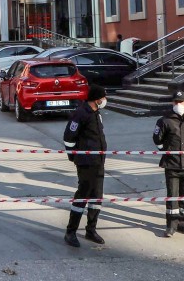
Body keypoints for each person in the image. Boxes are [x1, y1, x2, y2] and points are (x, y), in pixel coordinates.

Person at [63, 85, 108, 248]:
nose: (105, 100)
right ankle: (71, 232)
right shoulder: (81, 113)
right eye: (103, 97)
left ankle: (91, 229)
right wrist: (74, 156)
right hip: (86, 163)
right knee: (82, 196)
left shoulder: (96, 113)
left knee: (96, 197)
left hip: (98, 162)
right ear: (97, 99)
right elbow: (68, 137)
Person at [153, 90, 184, 237]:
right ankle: (171, 225)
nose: (178, 104)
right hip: (172, 165)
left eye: (180, 102)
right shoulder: (164, 120)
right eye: (175, 102)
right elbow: (157, 139)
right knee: (172, 196)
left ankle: (183, 223)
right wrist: (166, 152)